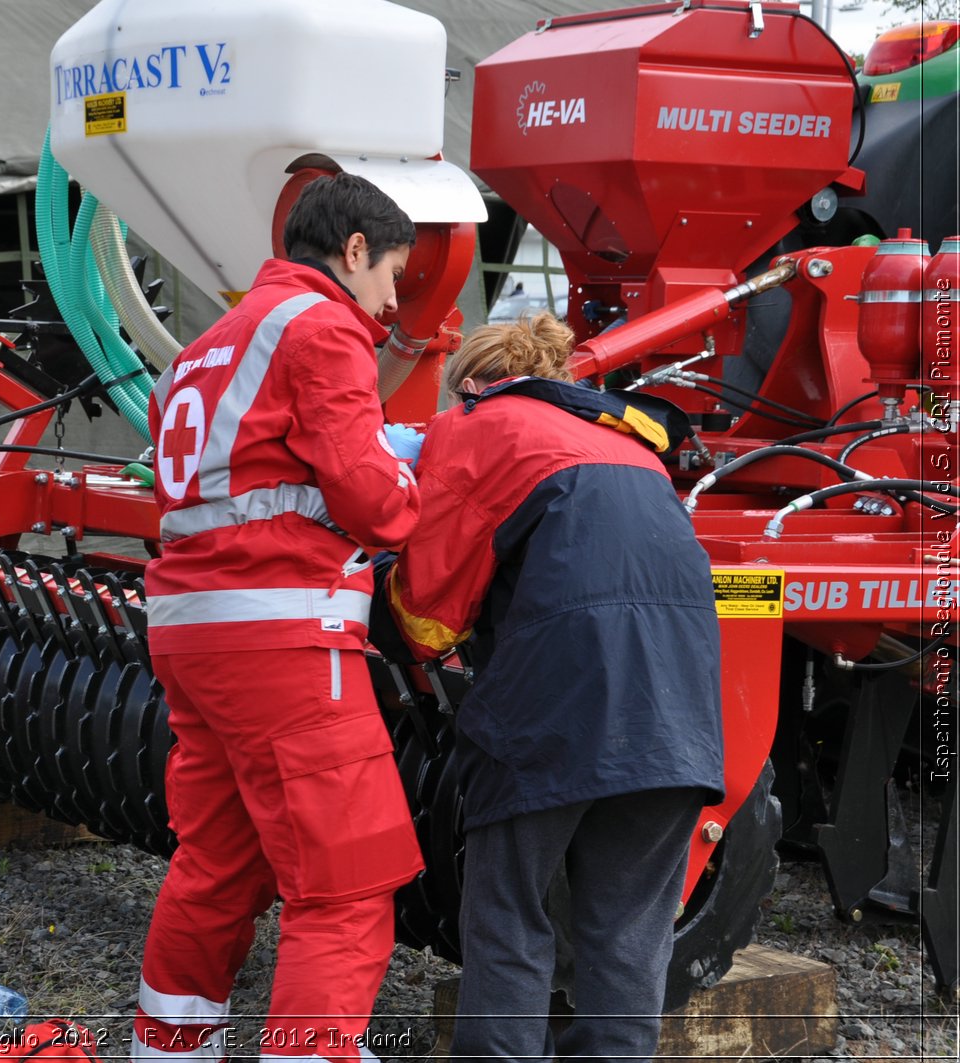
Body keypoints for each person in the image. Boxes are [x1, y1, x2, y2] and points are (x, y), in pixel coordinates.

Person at [135, 172, 426, 1063]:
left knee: (217, 862)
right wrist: (416, 478)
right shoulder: (325, 326)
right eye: (392, 278)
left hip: (193, 632)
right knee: (343, 884)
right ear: (353, 252)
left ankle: (170, 1049)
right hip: (286, 633)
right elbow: (371, 497)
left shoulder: (206, 345)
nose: (390, 303)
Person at [384, 313, 725, 1062]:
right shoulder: (632, 446)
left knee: (510, 912)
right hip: (680, 718)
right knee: (631, 930)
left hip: (555, 711)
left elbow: (428, 611)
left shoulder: (478, 424)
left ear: (472, 382)